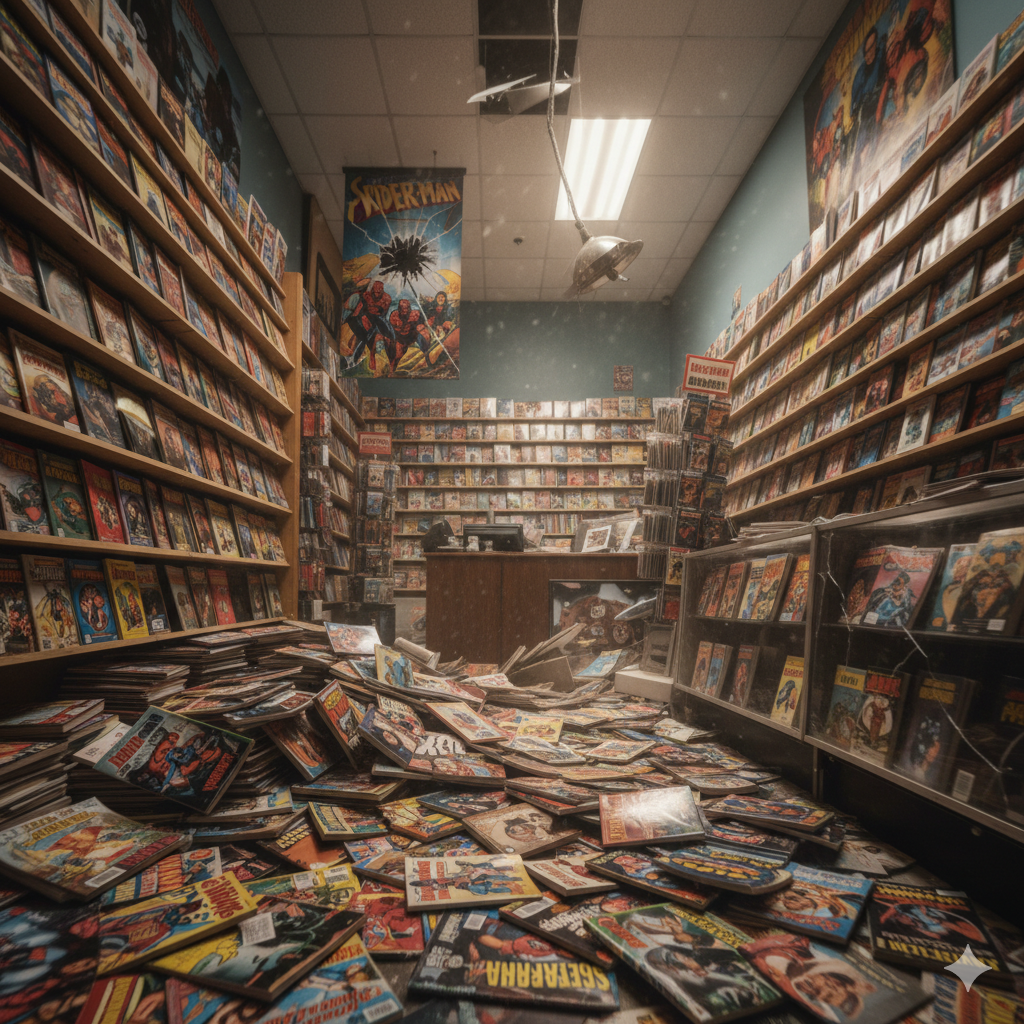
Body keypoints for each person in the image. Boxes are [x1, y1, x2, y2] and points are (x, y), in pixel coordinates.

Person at [344, 279, 392, 373]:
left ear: (383, 289)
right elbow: (358, 310)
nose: (377, 290)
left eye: (380, 289)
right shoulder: (365, 295)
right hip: (363, 317)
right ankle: (361, 354)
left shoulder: (387, 298)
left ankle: (372, 356)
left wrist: (375, 312)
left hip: (377, 319)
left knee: (381, 333)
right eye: (376, 288)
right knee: (364, 322)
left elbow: (383, 312)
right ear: (372, 288)